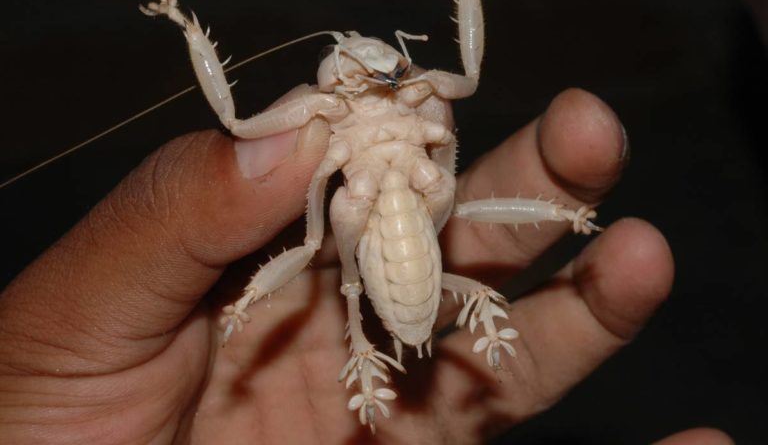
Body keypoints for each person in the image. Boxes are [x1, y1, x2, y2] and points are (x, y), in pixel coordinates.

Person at [0, 89, 730, 443]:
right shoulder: (343, 169)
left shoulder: (421, 140)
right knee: (352, 268)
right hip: (373, 261)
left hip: (410, 244)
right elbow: (255, 139)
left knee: (460, 210)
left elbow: (461, 96)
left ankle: (566, 219)